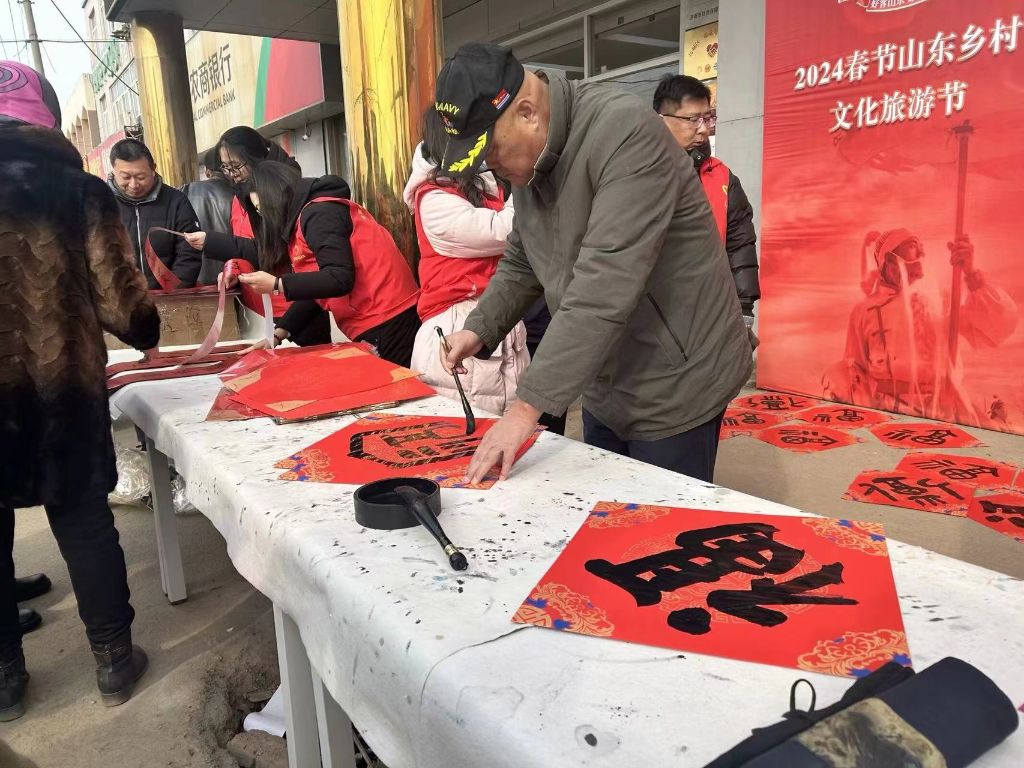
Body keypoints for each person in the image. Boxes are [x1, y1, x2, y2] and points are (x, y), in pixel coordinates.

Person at [435, 44, 753, 484]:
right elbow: (524, 255)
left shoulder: (625, 133)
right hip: (605, 373)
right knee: (605, 506)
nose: (492, 166)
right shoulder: (530, 158)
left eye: (491, 151)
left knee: (659, 513)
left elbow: (603, 286)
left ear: (527, 113)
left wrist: (525, 409)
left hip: (677, 375)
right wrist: (480, 328)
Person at [0, 61, 159, 720]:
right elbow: (124, 307)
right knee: (85, 524)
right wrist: (147, 330)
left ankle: (5, 681)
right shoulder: (80, 192)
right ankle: (114, 661)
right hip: (62, 391)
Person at [189, 161, 421, 366]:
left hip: (389, 320)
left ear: (276, 198)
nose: (263, 218)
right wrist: (277, 334)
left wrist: (278, 284)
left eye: (263, 209)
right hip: (378, 320)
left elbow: (339, 278)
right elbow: (318, 289)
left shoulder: (318, 215)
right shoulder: (307, 218)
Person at [403, 108, 529, 415]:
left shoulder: (480, 185)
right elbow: (504, 230)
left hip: (496, 317)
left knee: (510, 429)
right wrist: (526, 177)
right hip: (459, 324)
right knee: (467, 427)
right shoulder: (433, 199)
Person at [824, 229, 1018, 422]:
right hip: (888, 413)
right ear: (889, 259)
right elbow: (854, 374)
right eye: (912, 247)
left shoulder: (938, 300)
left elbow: (998, 325)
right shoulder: (864, 311)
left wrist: (971, 273)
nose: (921, 253)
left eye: (921, 248)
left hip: (944, 411)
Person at [653, 75, 760, 326]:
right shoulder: (638, 173)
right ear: (661, 121)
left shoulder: (723, 177)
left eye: (708, 117)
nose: (704, 129)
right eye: (693, 119)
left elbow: (740, 245)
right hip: (652, 316)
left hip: (708, 313)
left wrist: (744, 309)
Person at [213, 126, 330, 346]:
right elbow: (241, 244)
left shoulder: (286, 193)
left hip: (298, 306)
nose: (232, 173)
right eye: (225, 167)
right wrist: (232, 268)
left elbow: (282, 252)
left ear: (257, 157)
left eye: (236, 165)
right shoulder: (240, 198)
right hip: (260, 309)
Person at [108, 137, 202, 289]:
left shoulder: (176, 201)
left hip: (168, 296)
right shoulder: (100, 204)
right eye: (125, 177)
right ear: (113, 171)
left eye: (140, 177)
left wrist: (173, 292)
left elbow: (189, 253)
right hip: (120, 298)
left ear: (153, 169)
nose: (133, 185)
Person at [182, 147, 236, 285]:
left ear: (207, 172)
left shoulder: (185, 191)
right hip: (232, 276)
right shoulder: (239, 193)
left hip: (197, 275)